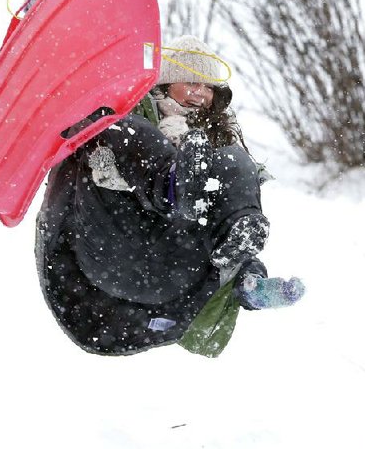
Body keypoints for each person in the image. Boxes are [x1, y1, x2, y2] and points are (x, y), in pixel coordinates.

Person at [35, 35, 305, 357]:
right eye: (190, 81)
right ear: (164, 83)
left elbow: (215, 233)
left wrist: (249, 274)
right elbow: (69, 148)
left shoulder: (218, 144)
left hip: (174, 281)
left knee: (232, 161)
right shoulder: (123, 114)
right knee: (125, 126)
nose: (200, 92)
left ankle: (245, 282)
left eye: (208, 87)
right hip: (108, 260)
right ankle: (172, 183)